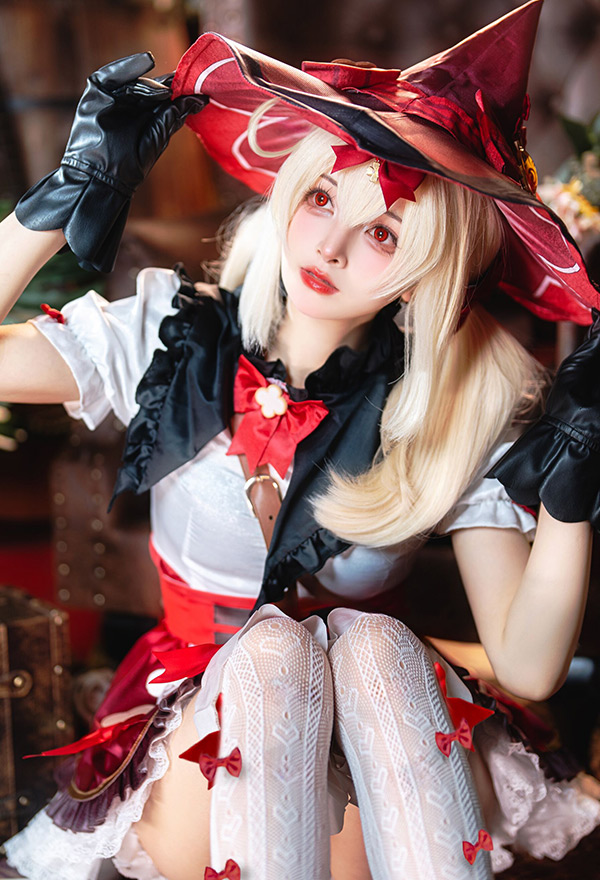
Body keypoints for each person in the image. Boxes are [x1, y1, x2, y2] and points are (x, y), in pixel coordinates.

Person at [2, 2, 600, 878]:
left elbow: (528, 665)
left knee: (375, 646)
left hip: (376, 742)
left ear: (424, 273)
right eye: (322, 197)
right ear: (290, 189)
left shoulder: (452, 405)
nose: (331, 244)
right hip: (199, 734)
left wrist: (574, 491)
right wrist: (55, 203)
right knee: (276, 654)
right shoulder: (168, 335)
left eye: (383, 232)